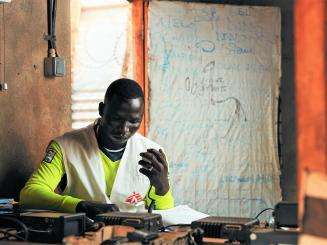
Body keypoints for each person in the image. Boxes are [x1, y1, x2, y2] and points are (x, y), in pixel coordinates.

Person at [20, 78, 174, 218]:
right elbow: (29, 194)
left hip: (134, 237)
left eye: (134, 121)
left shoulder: (152, 152)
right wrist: (80, 205)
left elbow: (165, 215)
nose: (124, 129)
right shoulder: (64, 146)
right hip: (82, 237)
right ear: (101, 110)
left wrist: (163, 188)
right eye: (116, 118)